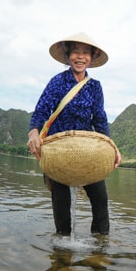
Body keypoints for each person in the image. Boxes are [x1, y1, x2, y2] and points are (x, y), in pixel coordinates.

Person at [27, 32, 121, 236]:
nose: (80, 57)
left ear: (92, 57)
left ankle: (100, 243)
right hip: (58, 149)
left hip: (88, 150)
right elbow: (42, 110)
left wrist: (112, 146)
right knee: (61, 201)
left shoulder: (95, 87)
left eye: (85, 53)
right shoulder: (57, 82)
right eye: (76, 52)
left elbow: (100, 119)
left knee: (100, 198)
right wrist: (33, 133)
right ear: (68, 55)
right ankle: (62, 246)